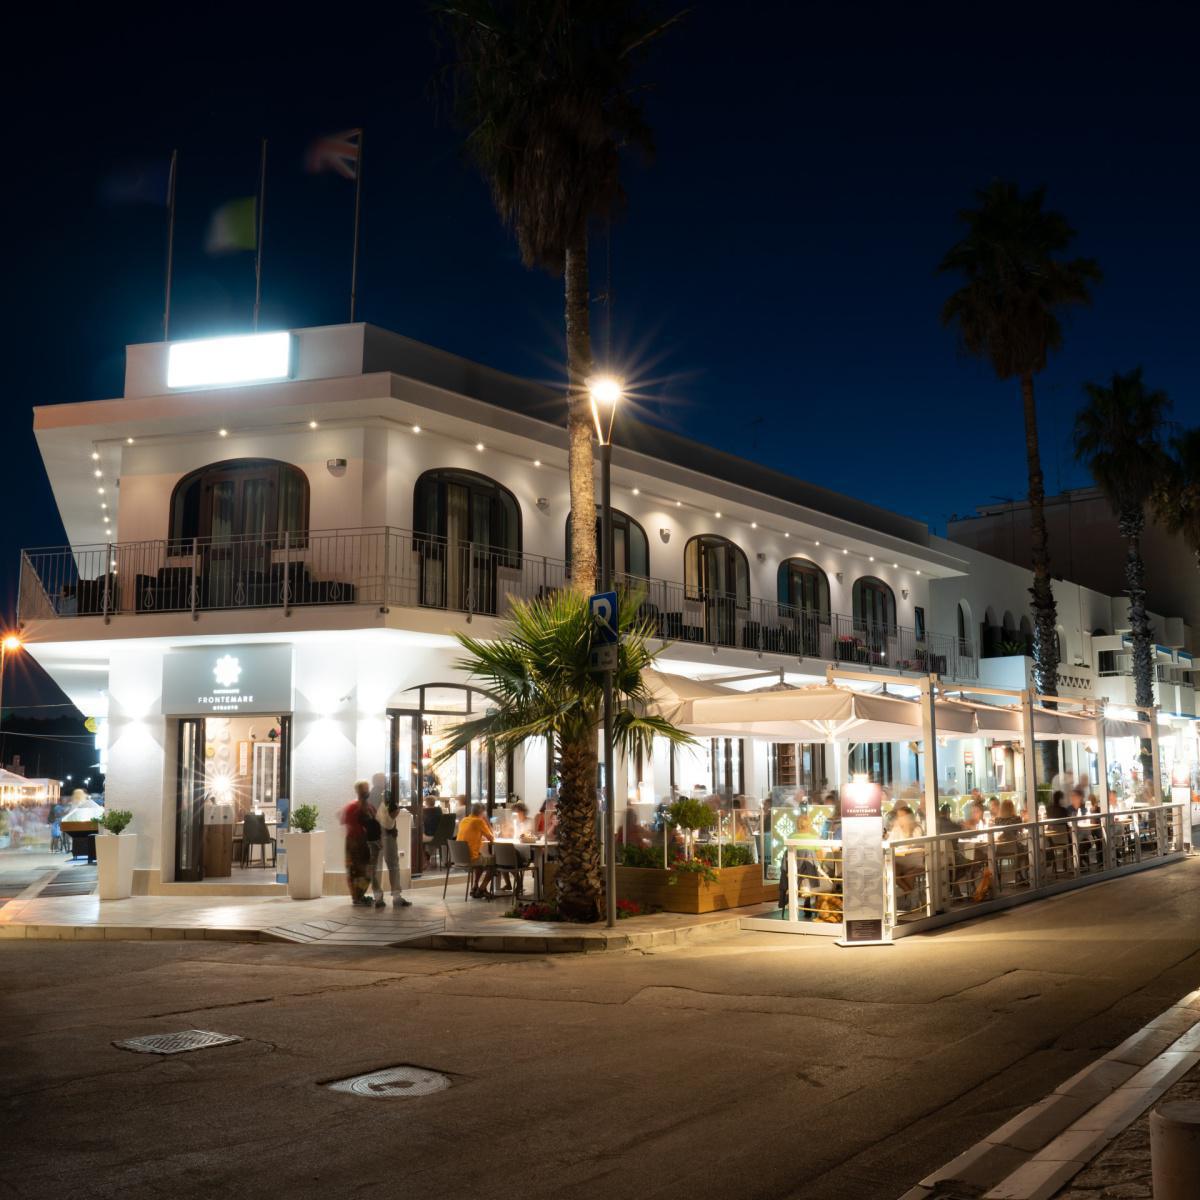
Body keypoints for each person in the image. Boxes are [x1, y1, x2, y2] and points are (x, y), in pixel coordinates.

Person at [375, 773, 413, 909]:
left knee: (378, 867)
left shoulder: (371, 796)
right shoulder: (386, 795)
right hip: (386, 835)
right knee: (393, 866)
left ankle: (378, 898)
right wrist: (395, 813)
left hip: (375, 836)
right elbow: (391, 816)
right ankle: (396, 897)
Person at [339, 780, 377, 907]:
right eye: (364, 789)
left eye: (367, 788)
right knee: (355, 870)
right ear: (359, 791)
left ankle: (360, 896)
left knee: (366, 871)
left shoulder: (369, 807)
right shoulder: (353, 807)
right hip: (355, 843)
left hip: (366, 843)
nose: (366, 791)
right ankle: (357, 897)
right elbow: (347, 822)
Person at [456, 802, 497, 899]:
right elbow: (492, 838)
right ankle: (482, 889)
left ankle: (475, 887)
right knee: (495, 863)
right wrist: (486, 822)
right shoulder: (478, 821)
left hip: (459, 857)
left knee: (480, 861)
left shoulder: (464, 820)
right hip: (471, 858)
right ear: (482, 812)